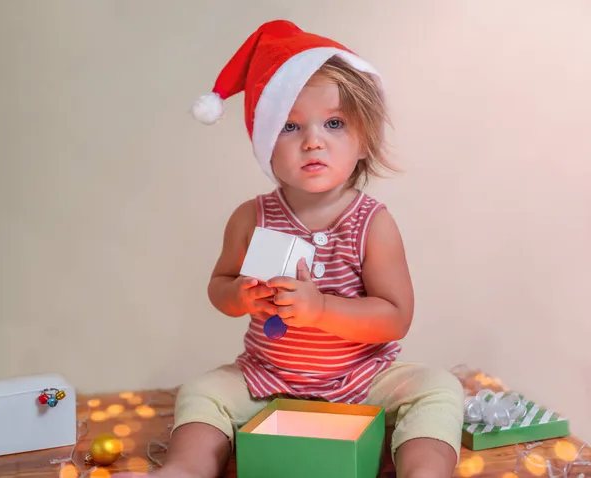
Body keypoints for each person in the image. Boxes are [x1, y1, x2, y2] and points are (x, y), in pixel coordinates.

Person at [118, 19, 464, 478]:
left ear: (364, 140)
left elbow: (395, 318)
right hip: (268, 380)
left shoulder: (371, 223)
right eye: (289, 126)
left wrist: (321, 309)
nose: (313, 140)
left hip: (359, 380)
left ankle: (425, 470)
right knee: (203, 391)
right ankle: (184, 469)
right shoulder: (251, 217)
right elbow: (219, 286)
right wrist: (239, 295)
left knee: (438, 388)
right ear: (265, 145)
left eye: (335, 123)